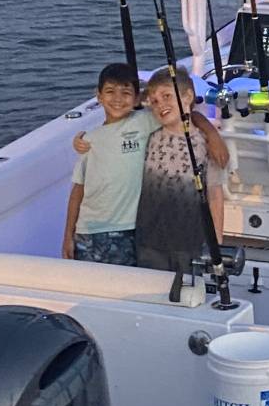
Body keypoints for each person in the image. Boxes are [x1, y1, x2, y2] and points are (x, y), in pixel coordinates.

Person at [62, 63, 226, 265]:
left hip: (154, 234)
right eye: (110, 92)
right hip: (107, 234)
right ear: (99, 96)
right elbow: (78, 189)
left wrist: (212, 134)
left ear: (137, 98)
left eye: (126, 92)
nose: (118, 99)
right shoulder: (91, 139)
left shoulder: (147, 123)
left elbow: (187, 114)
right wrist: (67, 235)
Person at [135, 67, 226, 273]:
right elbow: (130, 105)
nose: (161, 105)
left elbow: (215, 194)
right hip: (149, 240)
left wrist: (216, 243)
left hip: (191, 242)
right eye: (155, 101)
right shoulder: (149, 130)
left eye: (167, 96)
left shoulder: (206, 143)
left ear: (188, 97)